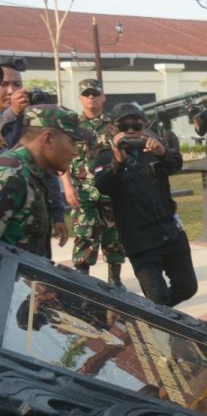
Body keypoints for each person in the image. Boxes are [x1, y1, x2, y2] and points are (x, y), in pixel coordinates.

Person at [94, 103, 197, 307]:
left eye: (136, 125)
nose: (131, 130)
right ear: (113, 128)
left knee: (187, 287)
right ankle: (161, 323)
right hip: (141, 242)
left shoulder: (153, 148)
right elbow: (103, 185)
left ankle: (156, 317)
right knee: (158, 300)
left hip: (171, 234)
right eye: (124, 126)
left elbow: (175, 164)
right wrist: (118, 161)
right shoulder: (105, 155)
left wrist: (163, 152)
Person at [61, 79, 126, 288]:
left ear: (103, 97)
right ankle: (83, 280)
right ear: (80, 98)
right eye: (87, 94)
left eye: (95, 93)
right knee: (84, 234)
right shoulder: (71, 125)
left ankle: (115, 280)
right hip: (82, 191)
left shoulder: (114, 125)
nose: (91, 98)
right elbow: (62, 157)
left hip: (110, 190)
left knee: (113, 234)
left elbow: (123, 156)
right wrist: (67, 186)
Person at [0, 105, 87, 257]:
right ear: (47, 139)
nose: (75, 153)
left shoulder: (32, 174)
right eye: (72, 142)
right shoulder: (11, 175)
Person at [0, 56, 69, 247]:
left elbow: (47, 170)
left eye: (17, 84)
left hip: (29, 223)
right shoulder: (11, 116)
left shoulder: (28, 120)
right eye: (4, 84)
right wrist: (11, 114)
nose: (11, 91)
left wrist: (57, 214)